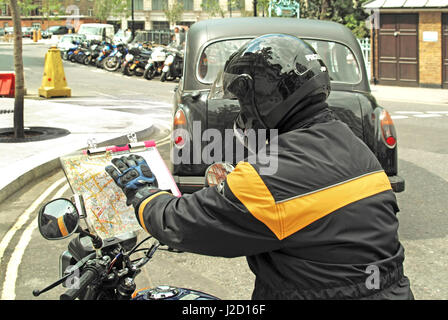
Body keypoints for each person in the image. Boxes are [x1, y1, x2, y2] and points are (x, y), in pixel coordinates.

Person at [106, 34, 413, 300]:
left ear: (270, 99)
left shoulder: (271, 176)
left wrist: (143, 194)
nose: (242, 112)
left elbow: (182, 224)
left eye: (243, 102)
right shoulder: (351, 144)